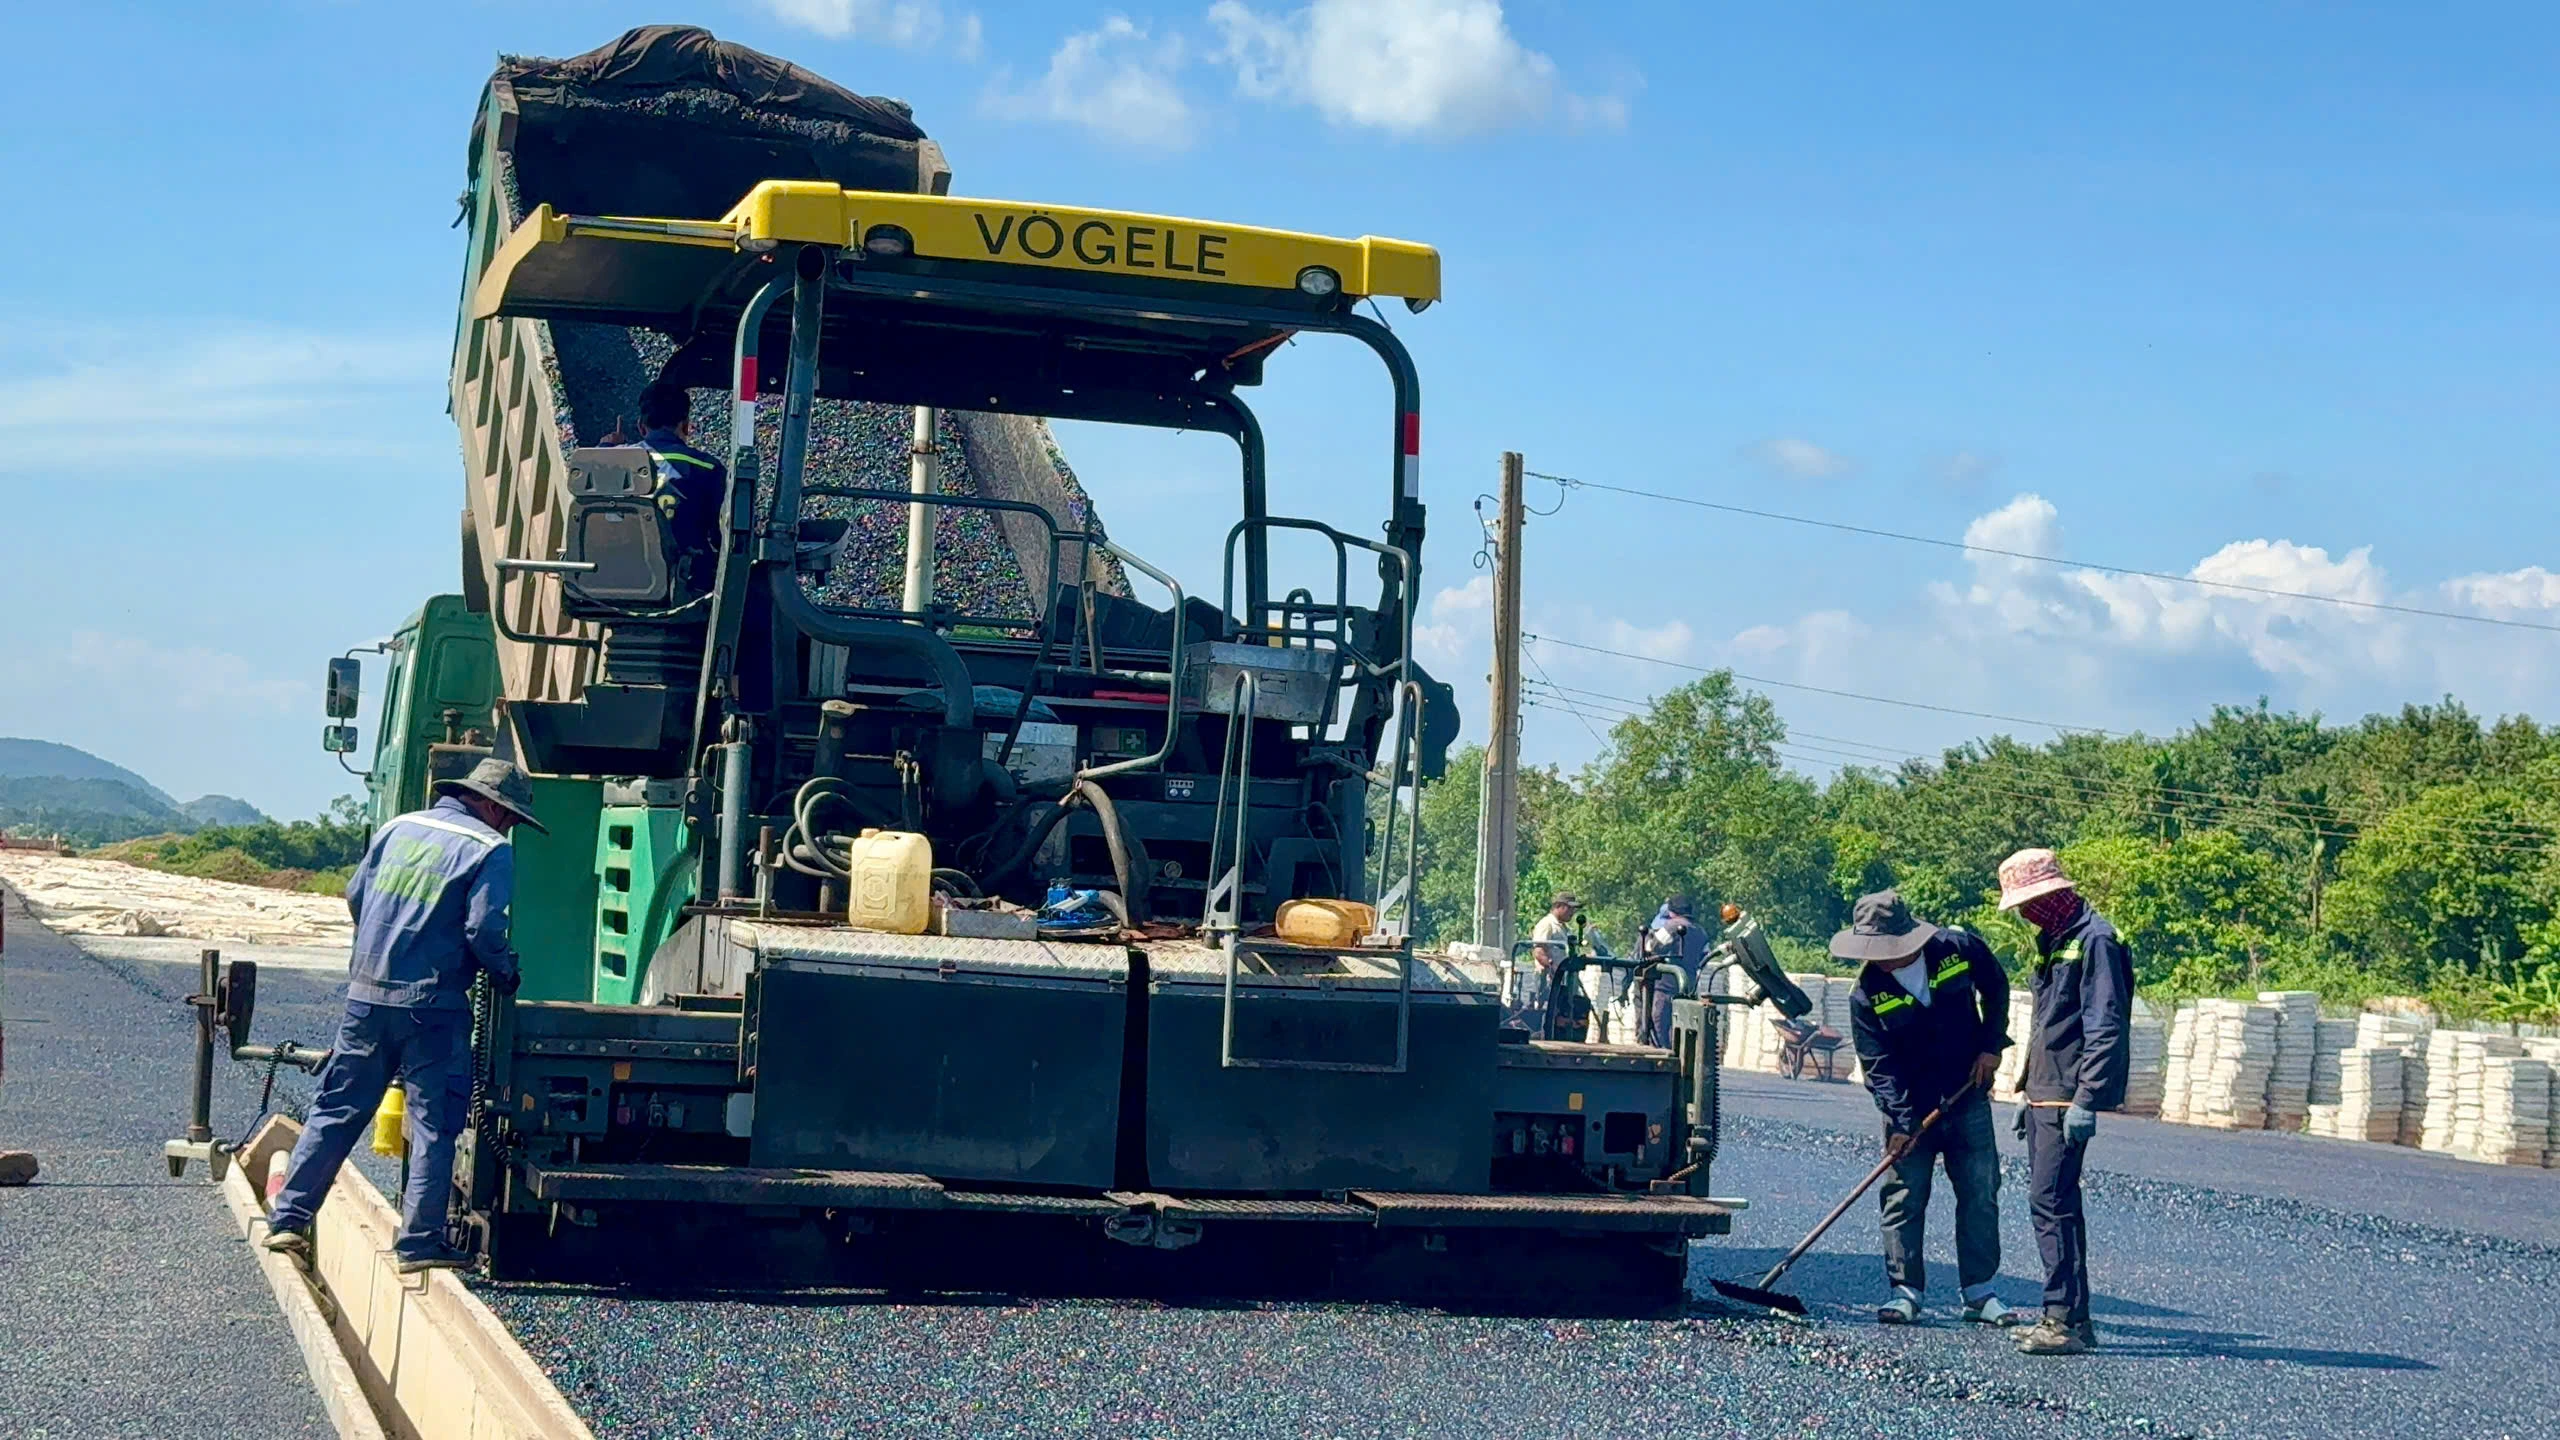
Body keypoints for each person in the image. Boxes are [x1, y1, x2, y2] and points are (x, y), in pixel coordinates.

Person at [261, 759, 541, 1274]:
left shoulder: (397, 828)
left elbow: (354, 896)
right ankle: (417, 1245)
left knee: (337, 1110)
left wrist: (383, 950)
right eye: (510, 817)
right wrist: (504, 973)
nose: (509, 827)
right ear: (489, 805)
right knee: (435, 1124)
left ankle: (288, 1221)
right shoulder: (489, 849)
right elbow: (483, 931)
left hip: (366, 999)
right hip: (433, 1008)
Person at [1837, 890, 2019, 1327]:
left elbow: (1996, 987)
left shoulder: (1957, 949)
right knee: (1904, 1196)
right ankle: (1905, 1292)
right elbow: (1877, 1067)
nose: (1879, 958)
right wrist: (1901, 1121)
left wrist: (1991, 1046)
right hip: (1909, 1109)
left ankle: (1979, 1293)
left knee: (1979, 1193)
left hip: (1966, 1096)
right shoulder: (1866, 994)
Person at [1997, 847, 2134, 1356]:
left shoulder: (2096, 940)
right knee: (2056, 1203)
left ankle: (2061, 1322)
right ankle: (2073, 1318)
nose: (2026, 912)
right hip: (2045, 1091)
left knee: (2049, 1203)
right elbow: (2045, 1023)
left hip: (2067, 1093)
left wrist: (2087, 1099)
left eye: (2032, 903)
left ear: (2055, 894)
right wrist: (2027, 1087)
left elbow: (2105, 1024)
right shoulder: (2055, 939)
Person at [637, 380, 728, 590]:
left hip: (621, 580)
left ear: (641, 426)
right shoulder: (708, 468)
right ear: (686, 425)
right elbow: (721, 536)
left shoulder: (616, 462)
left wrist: (606, 446)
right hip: (688, 583)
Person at [1640, 895, 1709, 1046]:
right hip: (1689, 984)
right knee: (1680, 1022)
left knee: (1659, 1019)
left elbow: (1652, 947)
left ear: (1671, 911)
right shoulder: (1701, 931)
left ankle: (1662, 1052)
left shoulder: (1671, 926)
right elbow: (1704, 957)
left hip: (1666, 984)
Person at [1521, 893, 1576, 1033]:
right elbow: (1538, 951)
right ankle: (1540, 1036)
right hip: (1547, 977)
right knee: (1544, 1009)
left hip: (1561, 978)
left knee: (1559, 1010)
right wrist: (1553, 968)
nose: (1572, 912)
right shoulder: (1547, 924)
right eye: (1569, 908)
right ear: (1559, 906)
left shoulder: (1562, 927)